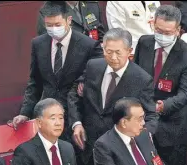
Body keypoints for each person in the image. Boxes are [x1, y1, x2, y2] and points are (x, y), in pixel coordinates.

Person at [11, 1, 103, 141]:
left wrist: (83, 81)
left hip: (77, 115)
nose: (53, 29)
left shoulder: (88, 45)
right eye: (49, 25)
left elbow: (96, 72)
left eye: (58, 25)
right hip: (48, 115)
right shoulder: (38, 44)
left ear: (69, 20)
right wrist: (25, 112)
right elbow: (35, 82)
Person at [68, 28, 158, 165]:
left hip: (117, 151)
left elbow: (151, 116)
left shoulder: (142, 79)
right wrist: (76, 123)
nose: (113, 57)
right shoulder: (93, 66)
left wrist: (139, 136)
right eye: (108, 52)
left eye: (118, 52)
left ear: (129, 51)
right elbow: (74, 94)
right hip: (86, 143)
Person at [134, 5, 187, 165]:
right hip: (142, 123)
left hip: (172, 127)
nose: (162, 36)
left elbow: (186, 93)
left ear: (178, 30)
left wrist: (160, 107)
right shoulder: (144, 42)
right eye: (158, 30)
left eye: (168, 33)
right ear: (153, 24)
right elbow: (134, 75)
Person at [94, 98, 164, 165]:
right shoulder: (104, 146)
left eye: (143, 117)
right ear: (124, 123)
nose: (143, 123)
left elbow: (156, 161)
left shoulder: (144, 134)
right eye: (139, 119)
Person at [12, 98, 77, 165]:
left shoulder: (68, 148)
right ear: (39, 122)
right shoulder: (24, 152)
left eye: (61, 118)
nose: (58, 123)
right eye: (53, 118)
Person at [37, 1, 105, 42]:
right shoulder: (50, 9)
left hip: (93, 58)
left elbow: (101, 36)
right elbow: (47, 44)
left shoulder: (92, 5)